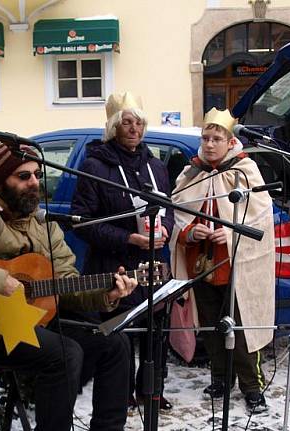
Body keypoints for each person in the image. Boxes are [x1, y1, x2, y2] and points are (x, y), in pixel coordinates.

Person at [0, 143, 139, 431]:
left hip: (39, 319)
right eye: (22, 176)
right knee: (65, 353)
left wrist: (108, 294)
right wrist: (3, 281)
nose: (33, 183)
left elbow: (67, 282)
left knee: (113, 340)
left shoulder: (45, 226)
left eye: (36, 175)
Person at [71, 91, 174, 409]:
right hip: (114, 266)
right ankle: (121, 395)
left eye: (139, 123)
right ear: (114, 127)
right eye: (126, 123)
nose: (134, 129)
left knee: (156, 332)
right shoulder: (94, 165)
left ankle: (151, 392)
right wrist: (128, 239)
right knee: (121, 336)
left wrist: (167, 227)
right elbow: (83, 222)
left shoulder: (156, 166)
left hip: (153, 265)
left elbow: (167, 207)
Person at [169, 108, 275, 412]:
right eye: (206, 138)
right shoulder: (192, 171)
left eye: (217, 138)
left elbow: (259, 215)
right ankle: (221, 377)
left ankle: (252, 386)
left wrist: (227, 235)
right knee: (211, 326)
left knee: (240, 328)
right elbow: (179, 207)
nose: (210, 144)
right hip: (200, 261)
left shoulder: (245, 171)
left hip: (235, 263)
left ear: (230, 142)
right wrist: (190, 231)